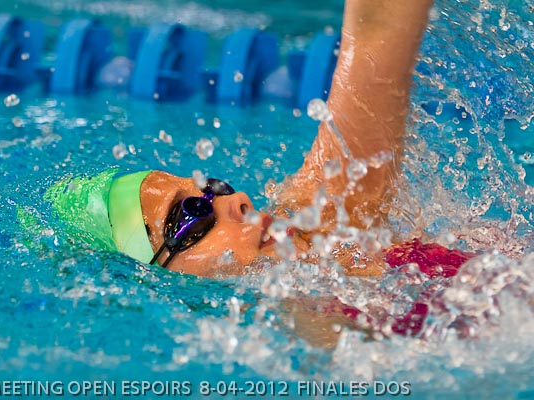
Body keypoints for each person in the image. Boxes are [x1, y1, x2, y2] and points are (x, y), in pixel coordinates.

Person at [47, 0, 475, 340]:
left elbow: (376, 31)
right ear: (154, 284)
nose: (239, 200)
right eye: (190, 215)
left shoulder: (323, 219)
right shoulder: (303, 356)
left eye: (213, 189)